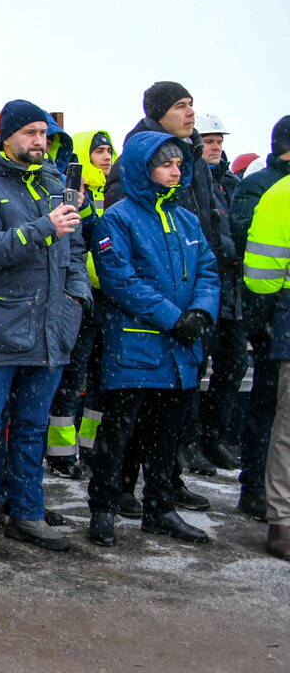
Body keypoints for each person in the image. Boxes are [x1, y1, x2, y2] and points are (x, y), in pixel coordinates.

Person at [0, 100, 90, 557]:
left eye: (43, 134)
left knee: (32, 427)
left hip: (51, 329)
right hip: (0, 327)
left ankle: (26, 513)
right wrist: (43, 228)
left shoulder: (54, 185)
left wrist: (75, 301)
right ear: (6, 136)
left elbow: (76, 252)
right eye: (30, 133)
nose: (39, 141)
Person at [103, 82, 234, 514]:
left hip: (186, 317)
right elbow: (126, 260)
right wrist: (172, 314)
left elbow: (206, 257)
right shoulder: (136, 165)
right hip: (148, 324)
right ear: (159, 112)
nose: (190, 113)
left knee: (172, 415)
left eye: (193, 104)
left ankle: (166, 488)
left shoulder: (190, 160)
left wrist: (201, 308)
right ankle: (117, 493)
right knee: (131, 420)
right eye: (181, 105)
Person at [84, 133, 220, 546]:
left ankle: (161, 508)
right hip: (136, 348)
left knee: (167, 437)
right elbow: (118, 279)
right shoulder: (118, 218)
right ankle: (104, 509)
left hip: (180, 350)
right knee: (118, 434)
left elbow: (208, 271)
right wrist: (173, 317)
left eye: (179, 164)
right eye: (166, 164)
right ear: (145, 169)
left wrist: (201, 312)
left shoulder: (187, 220)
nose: (176, 172)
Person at [45, 128, 118, 479]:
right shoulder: (63, 189)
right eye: (98, 151)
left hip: (104, 297)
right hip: (78, 298)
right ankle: (60, 453)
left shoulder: (111, 191)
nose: (105, 156)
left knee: (100, 380)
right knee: (71, 379)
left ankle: (89, 447)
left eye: (108, 151)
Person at [230, 115, 290, 523]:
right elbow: (254, 264)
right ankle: (255, 486)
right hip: (271, 318)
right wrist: (262, 322)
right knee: (267, 410)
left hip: (278, 316)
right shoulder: (260, 186)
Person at [192, 112, 249, 478]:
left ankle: (212, 437)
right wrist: (226, 248)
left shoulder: (229, 184)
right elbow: (213, 239)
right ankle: (191, 441)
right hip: (206, 288)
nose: (215, 147)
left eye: (219, 141)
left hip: (233, 295)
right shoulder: (195, 180)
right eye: (210, 141)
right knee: (196, 371)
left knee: (231, 369)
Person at [242, 166, 290, 559]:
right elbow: (260, 276)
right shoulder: (280, 193)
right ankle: (283, 522)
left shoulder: (280, 194)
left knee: (288, 429)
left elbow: (261, 279)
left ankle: (284, 522)